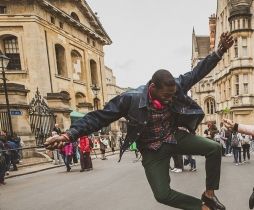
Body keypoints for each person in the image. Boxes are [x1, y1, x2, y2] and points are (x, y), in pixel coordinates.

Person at [44, 32, 234, 210]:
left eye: (172, 95)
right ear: (152, 87)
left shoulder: (175, 86)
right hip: (151, 148)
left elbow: (197, 72)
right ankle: (202, 207)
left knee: (214, 148)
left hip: (173, 136)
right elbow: (99, 117)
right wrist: (69, 134)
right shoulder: (130, 99)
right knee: (162, 195)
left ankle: (209, 195)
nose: (169, 99)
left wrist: (218, 52)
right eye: (165, 96)